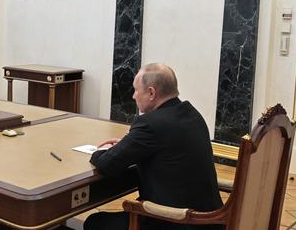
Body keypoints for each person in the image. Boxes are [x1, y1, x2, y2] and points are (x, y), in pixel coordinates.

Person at [85, 63, 223, 230]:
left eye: (136, 90)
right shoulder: (192, 114)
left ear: (151, 92)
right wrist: (127, 144)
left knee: (95, 222)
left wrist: (99, 152)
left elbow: (108, 164)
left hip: (176, 221)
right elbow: (166, 147)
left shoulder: (150, 124)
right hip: (209, 221)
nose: (134, 96)